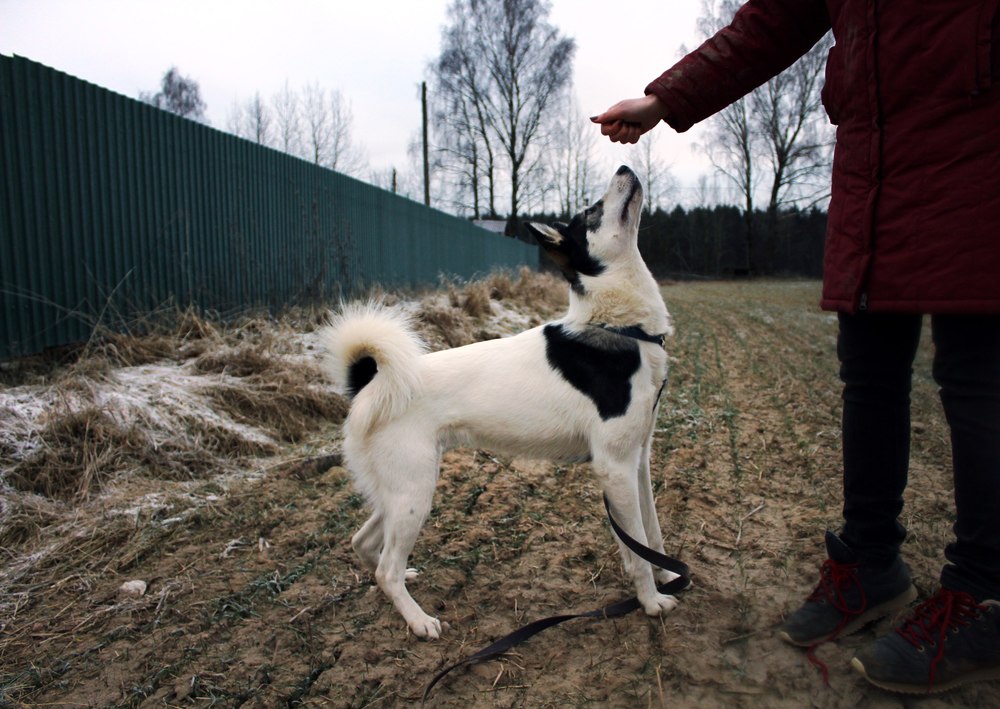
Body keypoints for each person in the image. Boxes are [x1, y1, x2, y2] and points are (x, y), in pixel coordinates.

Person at [591, 0, 1000, 695]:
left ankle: (986, 594)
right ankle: (871, 563)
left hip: (975, 142)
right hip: (872, 161)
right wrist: (667, 97)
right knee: (868, 371)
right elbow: (776, 18)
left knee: (978, 371)